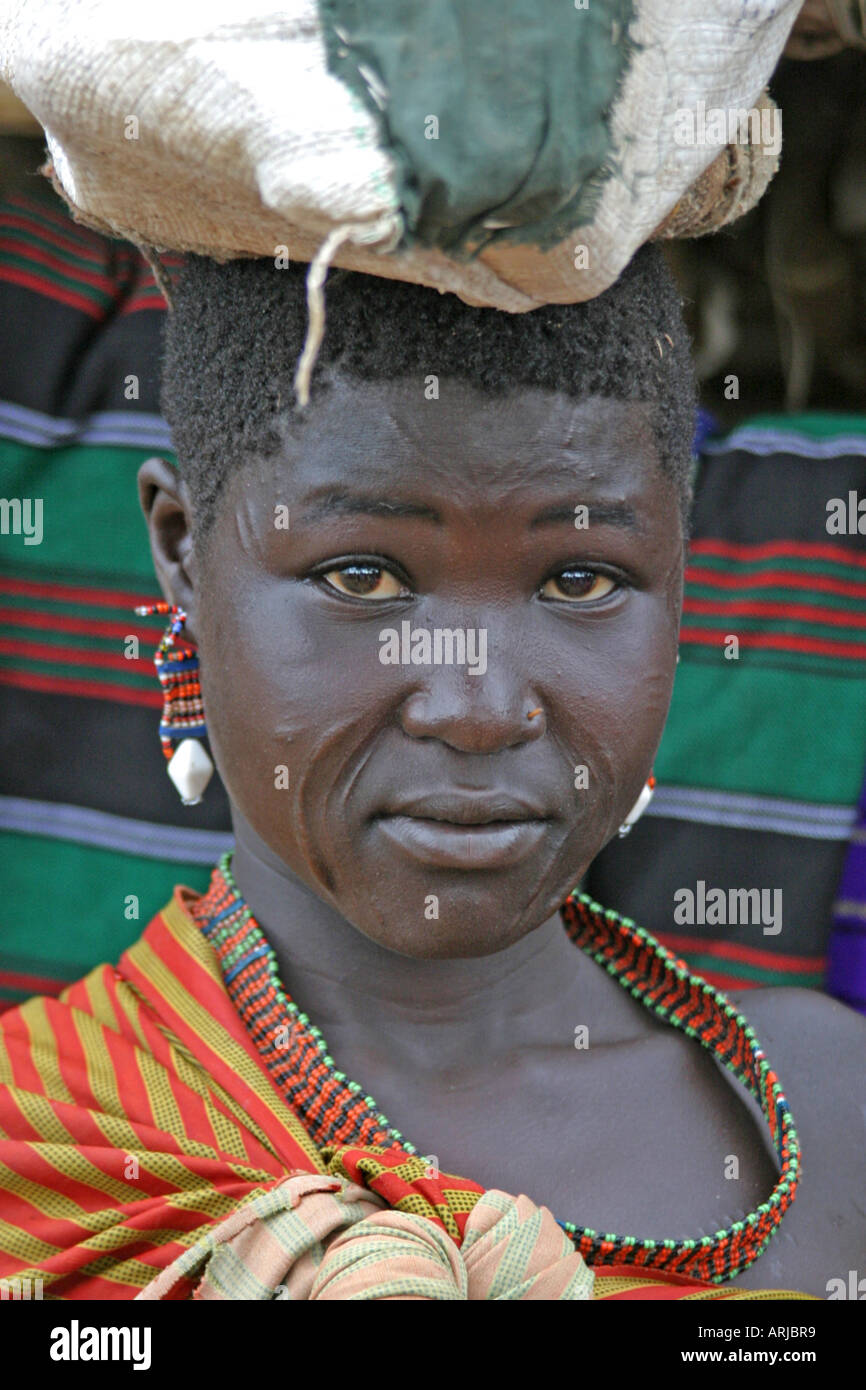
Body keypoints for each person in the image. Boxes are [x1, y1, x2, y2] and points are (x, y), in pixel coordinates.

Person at [0, 245, 862, 1300]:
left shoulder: (826, 1106)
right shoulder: (44, 1140)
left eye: (579, 578)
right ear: (182, 551)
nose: (478, 708)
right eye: (362, 575)